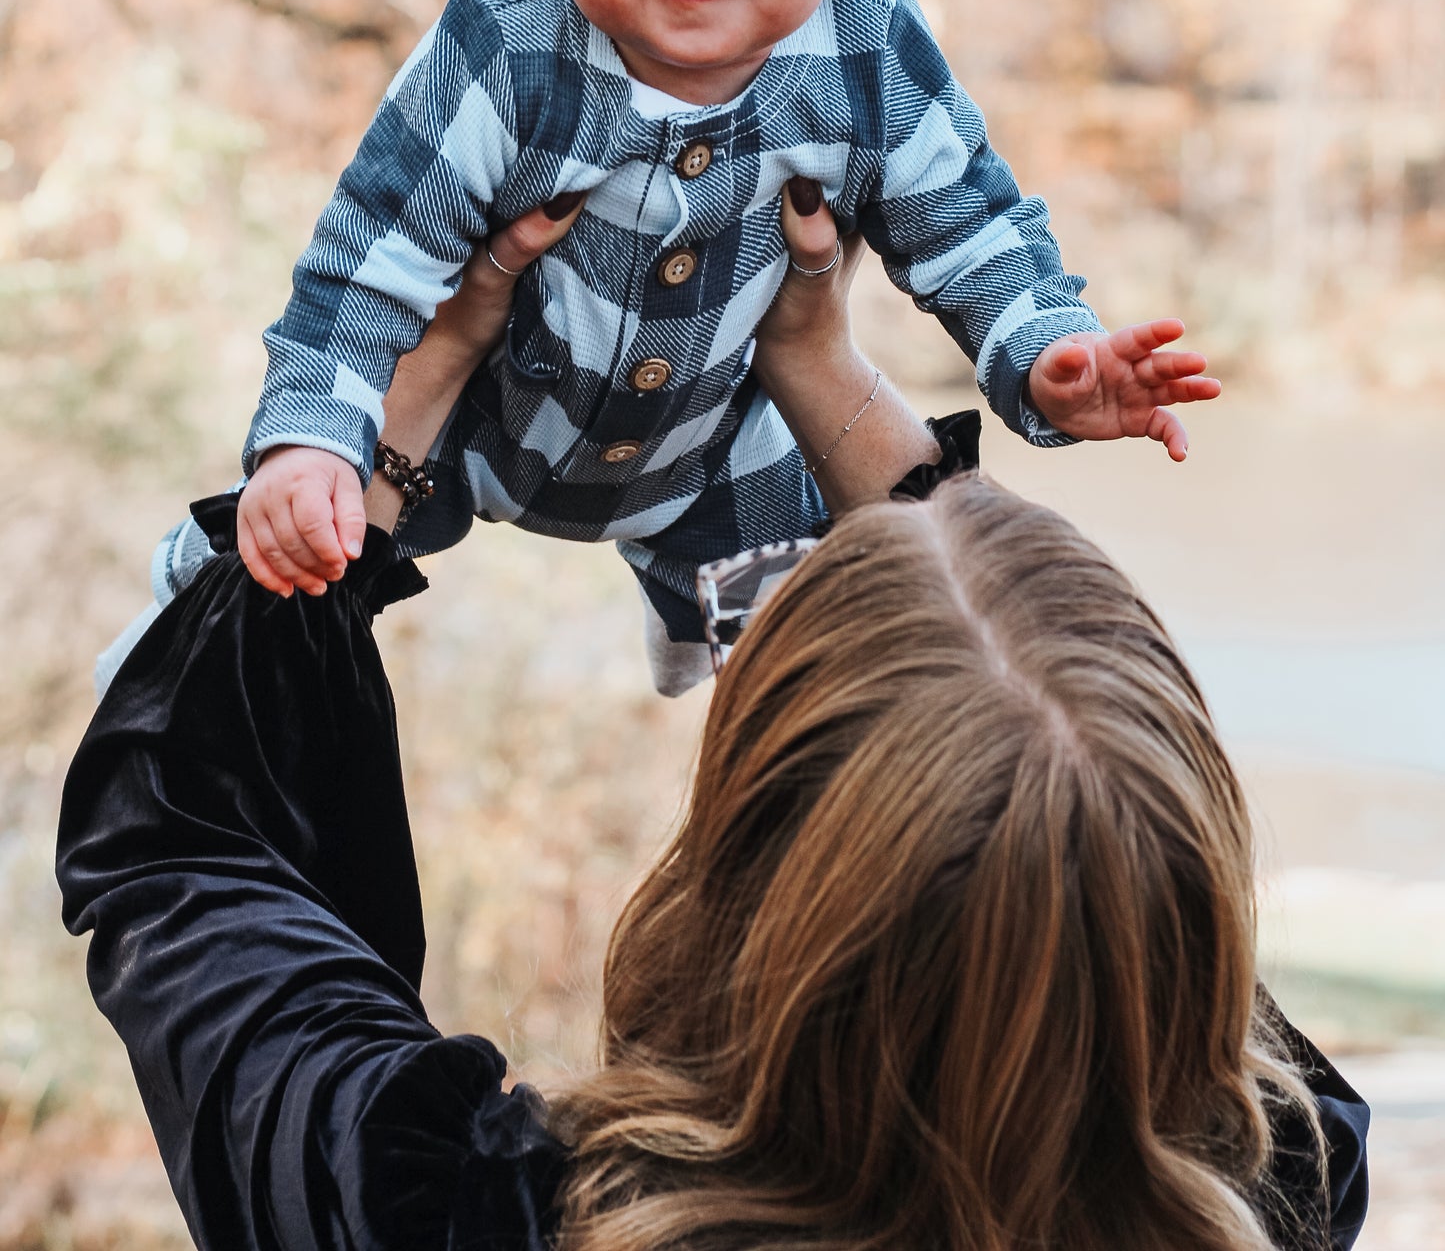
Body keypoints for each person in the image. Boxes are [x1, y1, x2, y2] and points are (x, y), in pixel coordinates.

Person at [59, 197, 1366, 1251]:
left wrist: (420, 374)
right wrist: (818, 366)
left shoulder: (468, 1212)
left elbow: (187, 845)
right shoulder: (1283, 1186)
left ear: (761, 858)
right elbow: (1089, 880)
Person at [227, 0, 1219, 688]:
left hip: (713, 453)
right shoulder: (506, 37)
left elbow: (969, 225)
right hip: (477, 414)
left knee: (822, 674)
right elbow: (369, 256)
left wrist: (1044, 354)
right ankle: (202, 622)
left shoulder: (864, 44)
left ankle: (715, 643)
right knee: (288, 576)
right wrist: (310, 441)